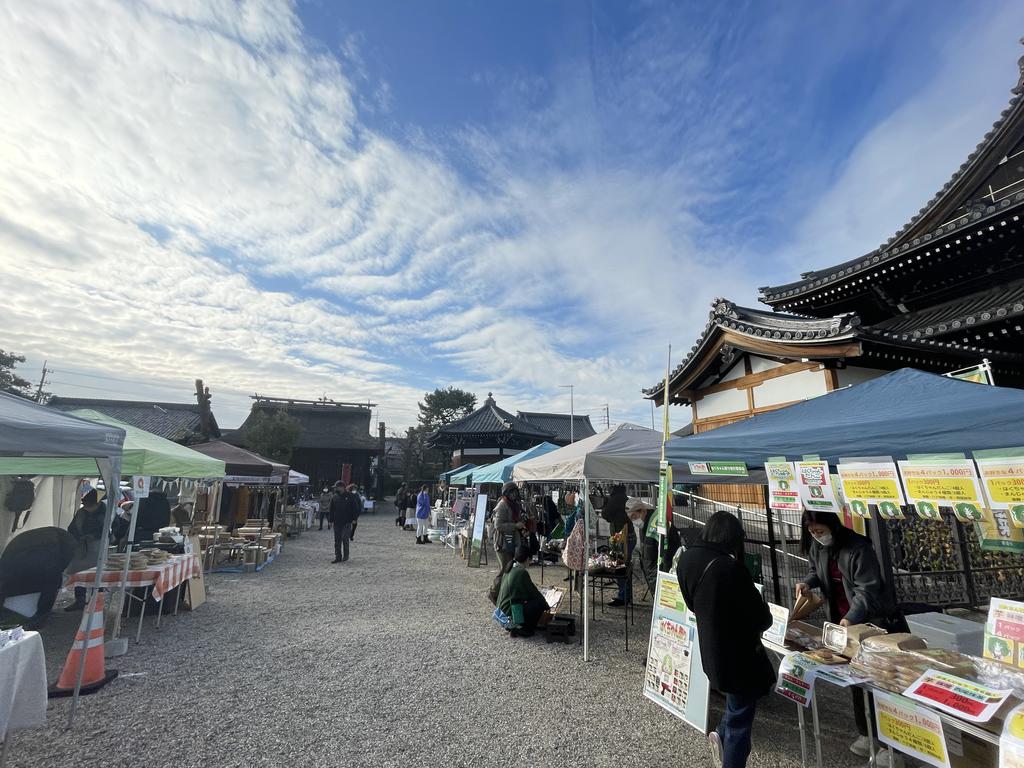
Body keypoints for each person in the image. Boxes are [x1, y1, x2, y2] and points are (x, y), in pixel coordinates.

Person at [797, 510, 905, 767]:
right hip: (842, 624)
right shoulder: (818, 546)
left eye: (820, 531)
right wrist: (807, 582)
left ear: (832, 525)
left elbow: (867, 590)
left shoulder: (858, 548)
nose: (816, 536)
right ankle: (867, 734)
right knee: (856, 680)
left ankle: (891, 747)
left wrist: (851, 618)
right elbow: (816, 571)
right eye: (812, 532)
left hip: (873, 625)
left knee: (881, 682)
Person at [678, 511, 773, 768]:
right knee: (740, 722)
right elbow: (760, 617)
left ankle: (721, 732)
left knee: (736, 704)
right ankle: (729, 751)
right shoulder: (730, 568)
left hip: (711, 649)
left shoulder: (686, 558)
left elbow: (691, 604)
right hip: (739, 655)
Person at [65, 488, 109, 611]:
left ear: (97, 503)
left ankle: (97, 602)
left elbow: (112, 528)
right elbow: (72, 528)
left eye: (90, 505)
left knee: (98, 574)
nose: (87, 507)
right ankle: (79, 600)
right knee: (79, 574)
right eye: (85, 505)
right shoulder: (81, 512)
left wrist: (94, 535)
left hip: (98, 546)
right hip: (81, 547)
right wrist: (78, 538)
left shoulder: (107, 513)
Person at [497, 545, 550, 637]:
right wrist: (546, 605)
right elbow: (534, 593)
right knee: (538, 603)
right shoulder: (521, 572)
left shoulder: (510, 568)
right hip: (509, 615)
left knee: (531, 601)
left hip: (500, 613)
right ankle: (524, 629)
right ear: (527, 559)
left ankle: (516, 627)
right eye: (530, 559)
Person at [600, 485, 631, 607]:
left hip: (621, 537)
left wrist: (605, 504)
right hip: (625, 535)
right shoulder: (623, 497)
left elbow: (605, 514)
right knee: (625, 567)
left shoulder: (616, 499)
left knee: (620, 567)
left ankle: (623, 596)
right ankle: (626, 595)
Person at [328, 482, 361, 563]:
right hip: (337, 521)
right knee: (337, 540)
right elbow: (331, 509)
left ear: (342, 487)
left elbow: (355, 507)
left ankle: (346, 555)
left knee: (345, 538)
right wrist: (330, 520)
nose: (335, 488)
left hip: (347, 521)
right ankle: (338, 557)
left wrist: (355, 518)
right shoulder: (334, 497)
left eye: (337, 487)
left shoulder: (350, 496)